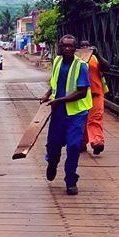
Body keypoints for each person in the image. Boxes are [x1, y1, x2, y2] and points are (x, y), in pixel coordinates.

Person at [40, 34, 92, 195]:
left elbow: (82, 92)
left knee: (74, 146)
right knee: (53, 144)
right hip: (58, 112)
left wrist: (59, 100)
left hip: (76, 113)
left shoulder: (81, 66)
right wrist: (48, 94)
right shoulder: (57, 62)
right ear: (59, 48)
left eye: (70, 46)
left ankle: (71, 181)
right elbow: (55, 82)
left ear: (75, 49)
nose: (67, 49)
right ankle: (52, 162)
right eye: (64, 46)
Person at [79, 39, 110, 155]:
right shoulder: (76, 59)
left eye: (88, 46)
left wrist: (97, 54)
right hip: (80, 95)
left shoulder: (95, 59)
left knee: (95, 119)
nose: (86, 48)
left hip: (95, 94)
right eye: (83, 46)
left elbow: (107, 67)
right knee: (81, 120)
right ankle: (81, 143)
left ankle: (97, 142)